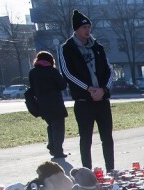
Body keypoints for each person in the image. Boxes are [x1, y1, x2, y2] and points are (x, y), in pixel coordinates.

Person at [58, 10, 115, 172]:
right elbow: (68, 73)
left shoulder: (98, 47)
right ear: (76, 29)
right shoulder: (67, 49)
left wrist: (103, 90)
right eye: (84, 27)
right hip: (84, 102)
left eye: (89, 26)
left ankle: (111, 169)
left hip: (102, 100)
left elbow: (110, 70)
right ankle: (87, 172)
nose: (87, 30)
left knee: (107, 138)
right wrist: (88, 89)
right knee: (86, 139)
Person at [28, 51, 68, 165]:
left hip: (42, 105)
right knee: (58, 128)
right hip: (55, 103)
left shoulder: (33, 73)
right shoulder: (52, 71)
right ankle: (57, 151)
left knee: (51, 126)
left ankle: (52, 146)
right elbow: (62, 85)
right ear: (50, 61)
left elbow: (32, 88)